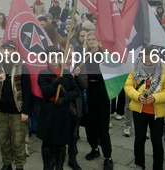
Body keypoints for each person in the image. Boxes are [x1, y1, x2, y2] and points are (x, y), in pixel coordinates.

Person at [124, 46, 165, 170]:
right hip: (139, 110)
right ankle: (139, 164)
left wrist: (156, 98)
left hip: (157, 112)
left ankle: (158, 167)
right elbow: (128, 86)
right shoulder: (135, 68)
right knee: (139, 139)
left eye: (151, 57)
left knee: (157, 142)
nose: (148, 60)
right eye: (145, 57)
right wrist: (137, 96)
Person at [0, 41, 32, 170]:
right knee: (4, 139)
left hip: (17, 111)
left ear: (14, 51)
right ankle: (7, 163)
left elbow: (27, 91)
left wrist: (25, 111)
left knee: (18, 141)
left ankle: (19, 165)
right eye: (5, 49)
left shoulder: (22, 67)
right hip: (0, 111)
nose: (7, 52)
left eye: (10, 49)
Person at [37, 46, 80, 170]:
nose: (55, 59)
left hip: (63, 111)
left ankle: (59, 167)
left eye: (57, 56)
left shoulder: (65, 72)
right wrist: (55, 83)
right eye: (52, 57)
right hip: (49, 113)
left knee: (62, 143)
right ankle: (47, 167)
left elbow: (76, 91)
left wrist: (65, 98)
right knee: (47, 143)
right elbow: (45, 93)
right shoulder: (43, 73)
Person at [82, 32, 114, 170]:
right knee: (90, 126)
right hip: (89, 94)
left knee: (103, 128)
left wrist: (86, 74)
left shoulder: (103, 54)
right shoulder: (85, 55)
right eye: (88, 39)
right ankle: (94, 148)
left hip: (101, 95)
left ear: (98, 40)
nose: (90, 41)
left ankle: (108, 157)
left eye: (93, 39)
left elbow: (102, 75)